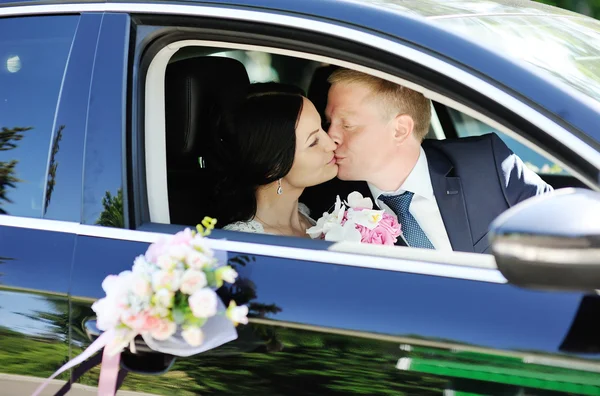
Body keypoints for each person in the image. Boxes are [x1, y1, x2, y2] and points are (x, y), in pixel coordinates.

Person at [301, 69, 553, 253]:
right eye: (329, 123)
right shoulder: (326, 209)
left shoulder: (487, 165)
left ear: (400, 130)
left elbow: (562, 232)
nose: (330, 136)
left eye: (347, 125)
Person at [211, 89, 338, 237]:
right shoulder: (248, 242)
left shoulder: (308, 217)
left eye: (323, 126)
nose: (331, 144)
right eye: (313, 142)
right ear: (274, 167)